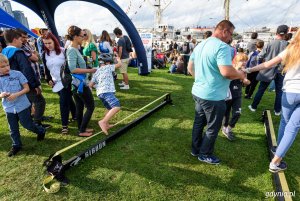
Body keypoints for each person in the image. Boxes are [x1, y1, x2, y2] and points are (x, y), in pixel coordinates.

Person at [188, 20, 246, 165]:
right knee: (213, 126)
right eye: (230, 34)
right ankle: (205, 154)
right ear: (224, 31)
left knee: (199, 122)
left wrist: (201, 80)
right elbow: (226, 72)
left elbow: (190, 67)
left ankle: (196, 149)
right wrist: (240, 74)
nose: (231, 37)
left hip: (199, 91)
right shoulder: (222, 47)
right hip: (213, 96)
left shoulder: (201, 44)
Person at [244, 28, 300, 173]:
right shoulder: (289, 47)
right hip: (293, 91)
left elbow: (268, 64)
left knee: (285, 122)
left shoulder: (292, 48)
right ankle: (275, 162)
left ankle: (278, 149)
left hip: (289, 92)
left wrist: (249, 70)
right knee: (292, 127)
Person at [0, 54, 46, 157]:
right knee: (13, 129)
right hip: (9, 108)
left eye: (7, 65)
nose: (7, 67)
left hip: (22, 106)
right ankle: (16, 145)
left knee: (27, 125)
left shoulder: (17, 74)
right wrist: (1, 95)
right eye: (2, 66)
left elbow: (27, 88)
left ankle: (41, 130)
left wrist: (16, 95)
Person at [2, 29, 49, 129]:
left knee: (26, 103)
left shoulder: (5, 51)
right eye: (20, 39)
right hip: (24, 84)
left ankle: (29, 121)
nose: (21, 41)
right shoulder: (18, 52)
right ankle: (37, 124)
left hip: (12, 85)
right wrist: (34, 85)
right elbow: (26, 69)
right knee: (40, 101)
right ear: (15, 40)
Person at [248, 25, 289, 116]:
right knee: (279, 91)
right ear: (286, 34)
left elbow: (260, 56)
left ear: (276, 33)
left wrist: (264, 62)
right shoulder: (287, 45)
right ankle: (277, 110)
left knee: (261, 89)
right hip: (281, 71)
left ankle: (254, 106)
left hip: (268, 69)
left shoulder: (270, 43)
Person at [42, 32, 77, 134]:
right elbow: (46, 69)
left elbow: (70, 66)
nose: (48, 45)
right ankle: (75, 115)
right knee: (68, 99)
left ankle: (64, 125)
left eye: (49, 43)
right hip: (55, 82)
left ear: (54, 41)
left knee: (63, 103)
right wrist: (48, 79)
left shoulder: (63, 51)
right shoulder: (45, 54)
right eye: (45, 43)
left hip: (65, 81)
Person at [66, 25, 97, 137]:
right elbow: (72, 69)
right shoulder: (72, 50)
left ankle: (81, 128)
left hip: (78, 84)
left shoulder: (75, 49)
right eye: (82, 35)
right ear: (74, 37)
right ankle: (82, 130)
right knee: (90, 106)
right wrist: (90, 69)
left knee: (79, 107)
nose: (83, 37)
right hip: (79, 84)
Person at [89, 53, 122, 135]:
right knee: (116, 106)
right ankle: (103, 122)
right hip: (106, 91)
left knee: (109, 107)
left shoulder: (97, 72)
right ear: (107, 63)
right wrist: (118, 59)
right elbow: (119, 65)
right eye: (110, 63)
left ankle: (106, 125)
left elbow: (90, 84)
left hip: (100, 93)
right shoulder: (108, 67)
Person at [222, 53, 250, 141]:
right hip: (227, 95)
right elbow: (226, 78)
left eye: (246, 60)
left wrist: (246, 82)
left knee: (237, 113)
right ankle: (225, 127)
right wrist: (237, 72)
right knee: (226, 113)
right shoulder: (231, 69)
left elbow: (244, 83)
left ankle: (229, 129)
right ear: (236, 61)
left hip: (237, 95)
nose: (244, 62)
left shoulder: (244, 71)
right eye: (242, 60)